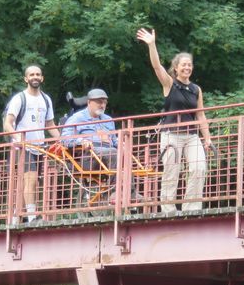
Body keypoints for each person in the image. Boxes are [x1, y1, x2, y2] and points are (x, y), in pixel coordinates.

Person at [136, 28, 213, 212]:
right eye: (184, 65)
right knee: (172, 172)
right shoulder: (169, 84)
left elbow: (201, 114)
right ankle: (168, 210)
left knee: (199, 168)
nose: (187, 67)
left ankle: (191, 208)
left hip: (192, 136)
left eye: (190, 65)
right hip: (171, 135)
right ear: (176, 68)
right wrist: (152, 44)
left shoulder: (196, 89)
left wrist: (208, 138)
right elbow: (156, 66)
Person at [3, 65, 60, 222]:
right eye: (32, 74)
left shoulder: (46, 99)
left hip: (39, 147)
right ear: (26, 78)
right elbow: (7, 124)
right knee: (31, 180)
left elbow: (50, 124)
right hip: (23, 146)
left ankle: (15, 218)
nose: (35, 77)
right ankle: (31, 217)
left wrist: (62, 140)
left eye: (38, 74)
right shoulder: (19, 98)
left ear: (42, 78)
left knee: (27, 183)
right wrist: (19, 138)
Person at [61, 88, 122, 202]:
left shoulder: (108, 120)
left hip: (108, 154)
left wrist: (122, 144)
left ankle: (132, 193)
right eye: (99, 102)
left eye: (104, 102)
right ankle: (114, 192)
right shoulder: (77, 118)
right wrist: (81, 141)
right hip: (87, 157)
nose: (102, 105)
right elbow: (64, 139)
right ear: (89, 102)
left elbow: (114, 142)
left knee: (124, 154)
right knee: (114, 153)